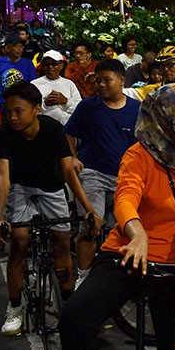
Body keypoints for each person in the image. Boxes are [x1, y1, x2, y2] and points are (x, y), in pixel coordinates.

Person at [59, 84, 175, 350]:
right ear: (166, 118)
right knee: (75, 318)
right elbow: (126, 197)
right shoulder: (139, 155)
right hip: (130, 252)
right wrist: (137, 234)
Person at [0, 81, 101, 336]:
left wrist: (87, 208)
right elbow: (3, 178)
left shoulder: (53, 130)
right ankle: (15, 306)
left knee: (61, 241)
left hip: (51, 187)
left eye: (19, 111)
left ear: (36, 109)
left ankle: (68, 304)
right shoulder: (5, 135)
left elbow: (68, 171)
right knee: (19, 241)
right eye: (9, 112)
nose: (13, 117)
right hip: (20, 187)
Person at [66, 58, 141, 282]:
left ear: (121, 81)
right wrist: (72, 156)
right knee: (90, 226)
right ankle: (83, 276)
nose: (101, 85)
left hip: (126, 176)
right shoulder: (88, 107)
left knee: (133, 225)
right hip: (93, 174)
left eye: (106, 80)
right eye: (98, 81)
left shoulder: (136, 109)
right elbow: (69, 132)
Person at [31, 50, 81, 125]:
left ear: (61, 66)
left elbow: (80, 109)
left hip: (67, 127)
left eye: (54, 64)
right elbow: (29, 110)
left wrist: (65, 101)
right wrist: (44, 104)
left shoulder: (69, 84)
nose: (50, 67)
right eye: (47, 64)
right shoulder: (34, 84)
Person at [0, 32, 37, 107]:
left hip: (21, 103)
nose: (19, 49)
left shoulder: (28, 63)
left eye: (21, 46)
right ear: (8, 48)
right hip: (3, 104)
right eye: (16, 46)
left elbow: (32, 84)